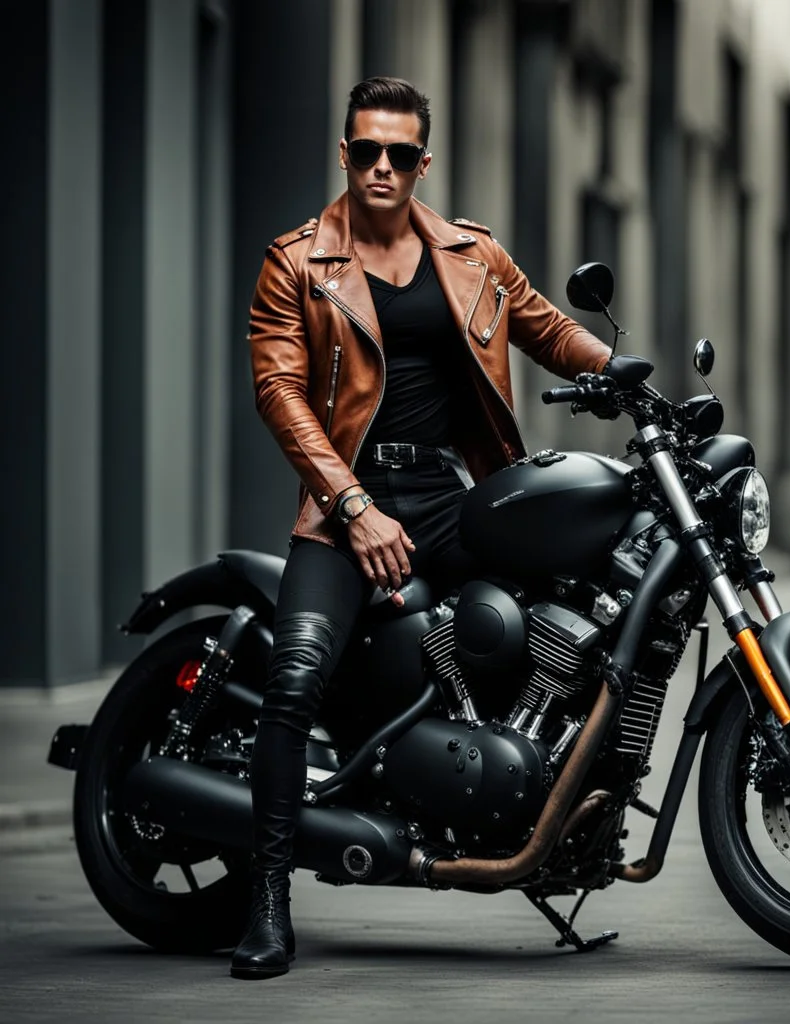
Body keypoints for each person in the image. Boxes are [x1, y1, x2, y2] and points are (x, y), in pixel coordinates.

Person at [231, 76, 611, 979]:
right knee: (294, 681)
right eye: (367, 151)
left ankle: (527, 805)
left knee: (564, 617)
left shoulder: (470, 253)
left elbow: (547, 329)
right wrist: (352, 507)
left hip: (449, 497)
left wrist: (625, 373)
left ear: (423, 163)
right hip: (343, 507)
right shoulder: (298, 261)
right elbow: (280, 392)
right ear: (346, 155)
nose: (383, 168)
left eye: (401, 154)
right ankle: (269, 899)